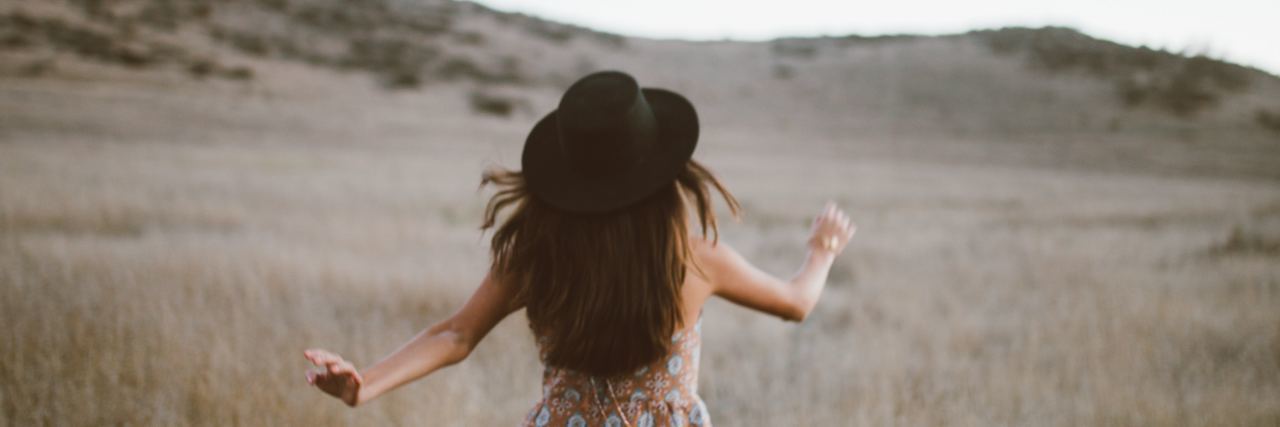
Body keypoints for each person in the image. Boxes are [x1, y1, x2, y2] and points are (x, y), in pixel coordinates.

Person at [303, 71, 856, 426]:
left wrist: (364, 386)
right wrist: (823, 249)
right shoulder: (691, 260)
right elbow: (796, 303)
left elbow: (455, 334)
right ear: (662, 175)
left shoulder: (538, 257)